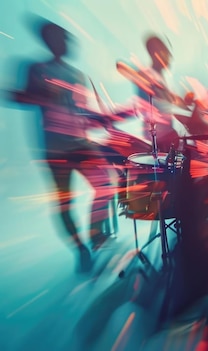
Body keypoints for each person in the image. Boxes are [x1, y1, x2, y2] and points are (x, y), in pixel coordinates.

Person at [13, 20, 116, 272]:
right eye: (59, 38)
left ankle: (94, 235)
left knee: (105, 186)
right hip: (55, 149)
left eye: (66, 39)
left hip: (80, 143)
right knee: (64, 203)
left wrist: (103, 119)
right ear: (49, 41)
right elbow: (17, 96)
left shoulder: (77, 74)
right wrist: (44, 95)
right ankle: (81, 248)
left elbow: (81, 112)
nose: (65, 43)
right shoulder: (37, 68)